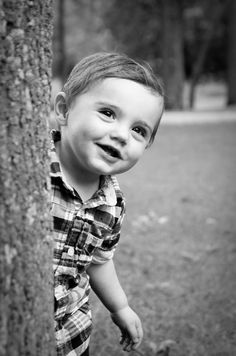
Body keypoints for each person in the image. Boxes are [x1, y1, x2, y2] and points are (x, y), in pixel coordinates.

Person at [51, 52, 164, 356]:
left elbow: (99, 260)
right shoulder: (26, 169)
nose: (121, 135)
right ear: (64, 109)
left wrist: (121, 307)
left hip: (70, 338)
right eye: (108, 113)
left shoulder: (112, 205)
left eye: (139, 130)